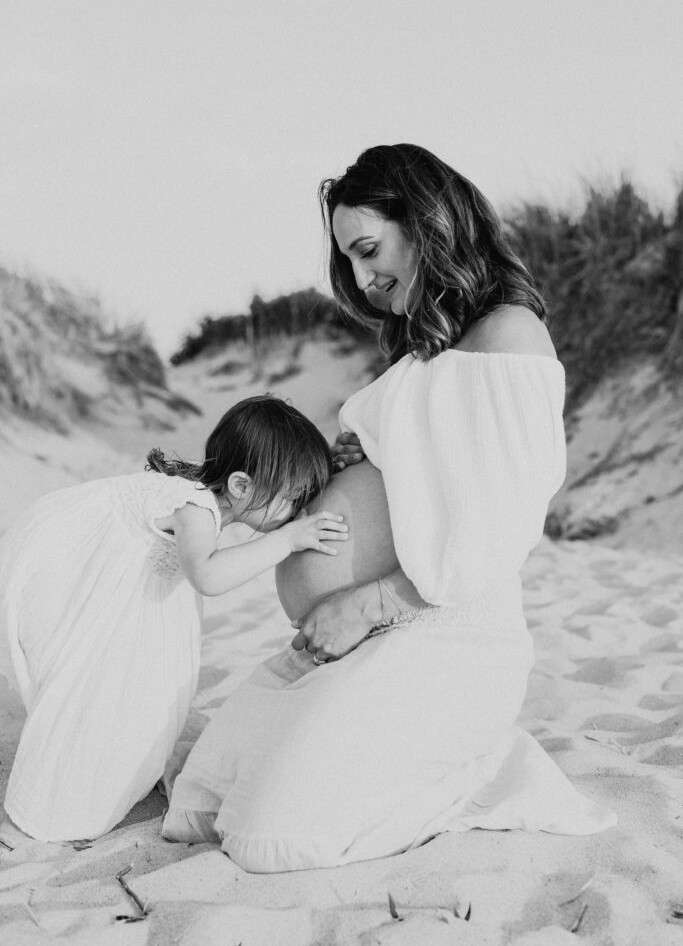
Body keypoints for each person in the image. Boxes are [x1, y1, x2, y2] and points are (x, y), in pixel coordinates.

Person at [162, 144, 617, 870]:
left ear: (428, 221)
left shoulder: (507, 336)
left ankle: (476, 766)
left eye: (369, 250)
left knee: (270, 836)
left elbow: (499, 530)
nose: (365, 279)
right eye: (350, 262)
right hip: (372, 635)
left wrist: (363, 604)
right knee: (205, 806)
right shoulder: (430, 348)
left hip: (439, 635)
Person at [0, 395, 346, 842]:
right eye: (293, 497)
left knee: (129, 689)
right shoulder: (196, 506)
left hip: (127, 592)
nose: (297, 512)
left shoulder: (203, 498)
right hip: (105, 588)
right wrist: (288, 542)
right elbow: (207, 574)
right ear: (241, 487)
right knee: (99, 689)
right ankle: (62, 794)